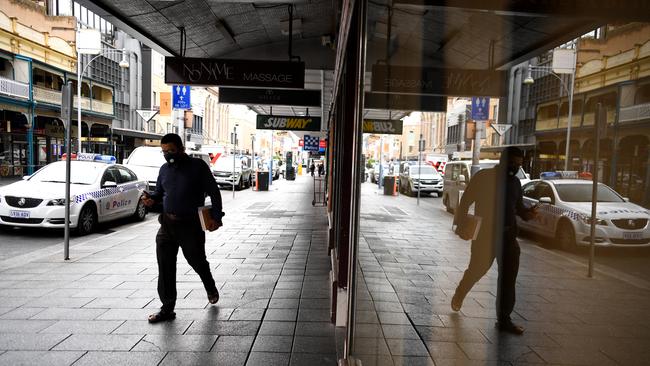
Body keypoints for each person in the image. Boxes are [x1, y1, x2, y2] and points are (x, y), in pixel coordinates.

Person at [451, 146, 536, 335]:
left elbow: (519, 209)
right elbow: (466, 201)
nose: (514, 168)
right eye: (512, 163)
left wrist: (529, 214)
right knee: (477, 270)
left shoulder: (515, 183)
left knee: (508, 280)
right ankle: (461, 291)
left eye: (519, 165)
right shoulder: (483, 177)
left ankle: (504, 319)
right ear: (503, 161)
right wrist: (461, 226)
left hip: (508, 238)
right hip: (485, 237)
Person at [141, 133, 224, 323]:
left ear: (181, 149)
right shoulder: (164, 170)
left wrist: (217, 218)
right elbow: (160, 194)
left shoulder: (197, 167)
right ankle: (167, 308)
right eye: (163, 151)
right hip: (167, 225)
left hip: (191, 225)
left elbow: (214, 192)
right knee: (165, 267)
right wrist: (151, 199)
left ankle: (209, 285)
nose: (167, 154)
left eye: (170, 150)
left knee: (197, 262)